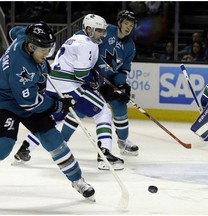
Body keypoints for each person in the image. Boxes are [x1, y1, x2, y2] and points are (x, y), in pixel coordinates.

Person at [13, 14, 124, 171]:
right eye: (98, 31)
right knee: (103, 112)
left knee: (52, 120)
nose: (101, 34)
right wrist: (94, 81)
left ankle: (24, 149)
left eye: (102, 31)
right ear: (88, 29)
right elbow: (81, 73)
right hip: (70, 87)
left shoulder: (73, 39)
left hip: (53, 86)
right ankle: (104, 155)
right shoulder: (87, 44)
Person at [0, 21, 95, 201]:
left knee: (54, 140)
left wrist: (42, 67)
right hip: (6, 103)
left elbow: (14, 31)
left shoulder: (24, 37)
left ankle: (78, 180)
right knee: (4, 147)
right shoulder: (21, 67)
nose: (47, 54)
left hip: (26, 97)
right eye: (43, 51)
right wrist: (58, 105)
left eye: (49, 49)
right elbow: (30, 103)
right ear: (30, 46)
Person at [96, 10, 139, 156]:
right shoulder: (106, 30)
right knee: (81, 110)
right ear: (119, 22)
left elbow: (123, 70)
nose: (128, 27)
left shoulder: (130, 46)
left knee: (120, 106)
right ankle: (62, 140)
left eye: (131, 25)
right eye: (126, 23)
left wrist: (122, 86)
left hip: (109, 82)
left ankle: (123, 142)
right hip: (92, 79)